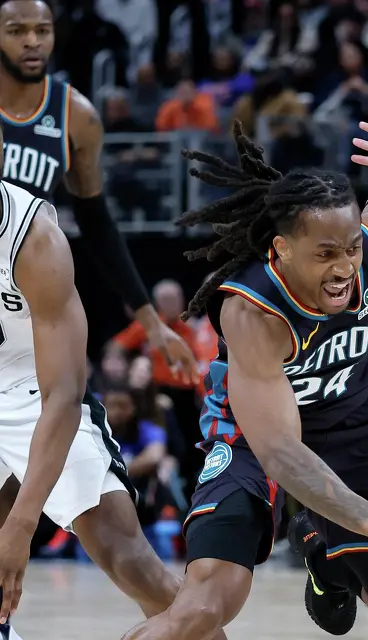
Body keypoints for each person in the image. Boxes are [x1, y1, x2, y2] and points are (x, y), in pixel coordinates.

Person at [120, 118, 368, 640]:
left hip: (353, 434)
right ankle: (329, 543)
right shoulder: (253, 312)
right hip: (255, 440)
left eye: (350, 247)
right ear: (281, 250)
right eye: (325, 253)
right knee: (202, 610)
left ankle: (330, 559)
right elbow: (280, 453)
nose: (345, 267)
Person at [0, 124, 192, 640]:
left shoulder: (32, 236)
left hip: (34, 392)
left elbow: (63, 394)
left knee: (128, 559)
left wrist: (22, 524)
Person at [0, 0, 195, 376]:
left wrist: (152, 325)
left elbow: (98, 225)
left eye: (42, 30)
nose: (31, 41)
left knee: (70, 410)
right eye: (16, 31)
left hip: (27, 289)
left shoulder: (76, 115)